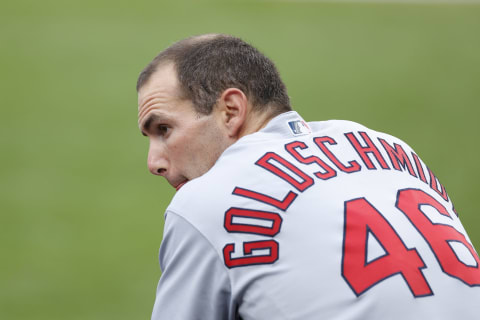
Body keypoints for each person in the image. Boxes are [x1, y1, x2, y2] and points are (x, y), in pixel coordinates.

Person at [136, 34, 480, 320]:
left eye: (164, 128)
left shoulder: (205, 201)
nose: (154, 162)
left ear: (231, 111)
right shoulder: (393, 149)